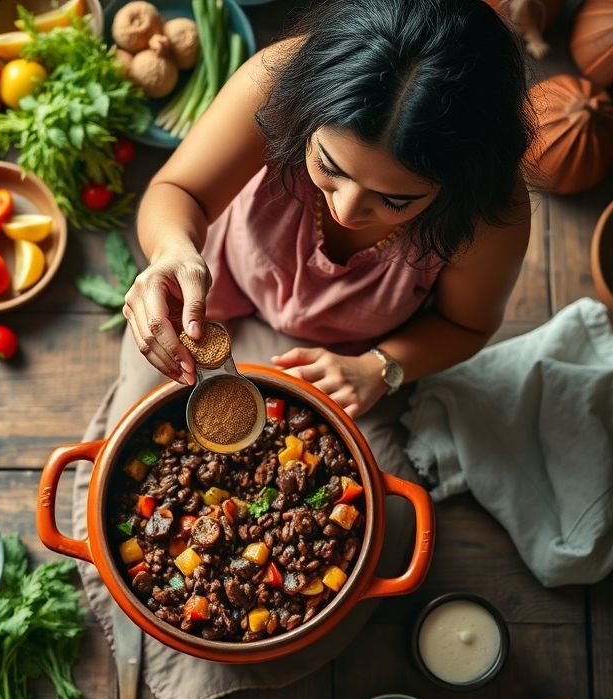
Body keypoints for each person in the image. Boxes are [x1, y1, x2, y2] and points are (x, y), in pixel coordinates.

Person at [120, 0, 534, 419]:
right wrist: (172, 249)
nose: (347, 210)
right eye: (329, 166)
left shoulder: (488, 211)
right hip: (212, 292)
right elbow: (178, 189)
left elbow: (466, 325)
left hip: (343, 356)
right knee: (133, 415)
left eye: (395, 200)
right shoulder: (276, 82)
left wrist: (380, 367)